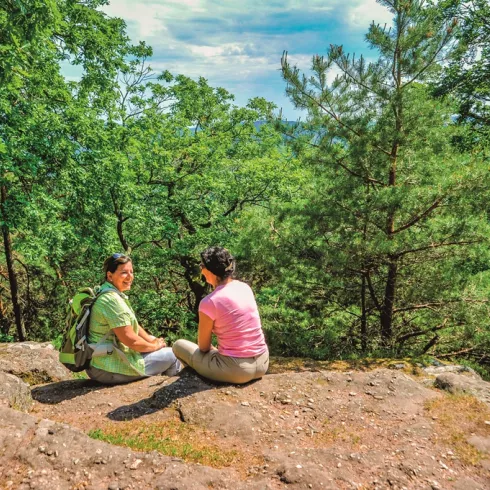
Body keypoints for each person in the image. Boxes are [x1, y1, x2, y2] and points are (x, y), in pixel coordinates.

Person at [172, 246, 269, 384]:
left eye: (202, 265)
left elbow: (204, 347)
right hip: (263, 362)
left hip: (237, 370)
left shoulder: (209, 302)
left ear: (210, 271)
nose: (201, 269)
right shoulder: (244, 287)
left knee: (178, 345)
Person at [86, 253, 181, 384]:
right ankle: (167, 394)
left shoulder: (105, 292)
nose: (130, 276)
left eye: (131, 271)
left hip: (102, 362)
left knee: (158, 348)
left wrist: (150, 339)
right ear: (110, 275)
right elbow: (131, 341)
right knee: (173, 355)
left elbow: (129, 323)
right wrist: (154, 346)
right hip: (108, 368)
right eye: (124, 272)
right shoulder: (111, 301)